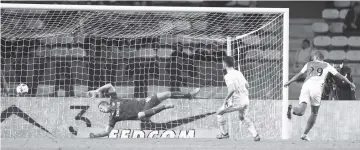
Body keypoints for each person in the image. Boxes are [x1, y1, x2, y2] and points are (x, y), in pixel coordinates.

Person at [284, 51, 356, 141]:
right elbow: (341, 76)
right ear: (322, 58)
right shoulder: (327, 65)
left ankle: (291, 109)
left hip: (306, 86)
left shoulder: (309, 64)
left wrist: (289, 82)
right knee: (314, 113)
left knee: (301, 111)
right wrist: (351, 83)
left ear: (316, 57)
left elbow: (299, 75)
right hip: (316, 88)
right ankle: (304, 134)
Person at [86, 83, 200, 138]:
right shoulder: (113, 118)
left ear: (106, 104)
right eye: (100, 111)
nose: (102, 111)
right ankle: (164, 107)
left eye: (101, 108)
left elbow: (110, 86)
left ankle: (189, 95)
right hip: (144, 114)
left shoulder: (114, 99)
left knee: (166, 93)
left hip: (145, 102)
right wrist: (95, 135)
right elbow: (107, 132)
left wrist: (97, 90)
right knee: (140, 116)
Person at [216, 56, 260, 141]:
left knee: (219, 113)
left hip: (237, 101)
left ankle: (224, 134)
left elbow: (231, 89)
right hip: (246, 99)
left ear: (225, 64)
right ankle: (255, 135)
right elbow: (248, 85)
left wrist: (225, 99)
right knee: (242, 117)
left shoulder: (228, 76)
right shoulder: (238, 73)